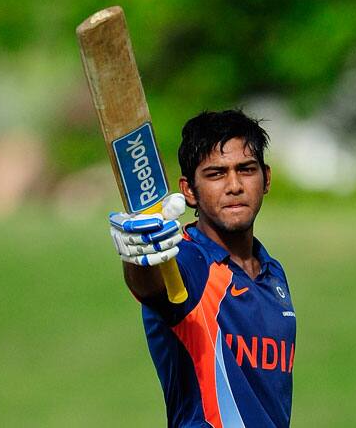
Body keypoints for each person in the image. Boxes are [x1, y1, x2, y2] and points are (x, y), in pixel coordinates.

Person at [109, 110, 296, 427]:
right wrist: (140, 255)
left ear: (266, 178)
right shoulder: (188, 261)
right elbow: (151, 287)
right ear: (189, 190)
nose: (234, 185)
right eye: (216, 174)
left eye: (246, 170)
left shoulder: (273, 273)